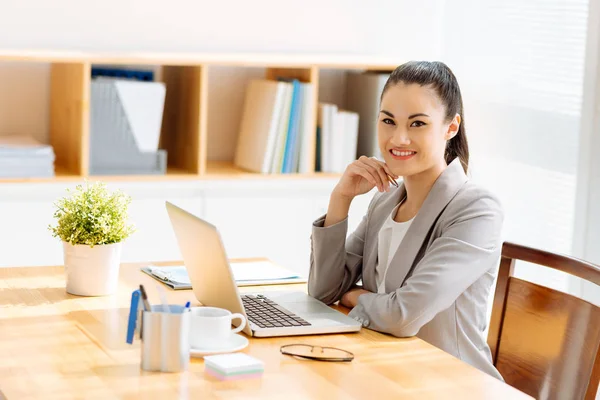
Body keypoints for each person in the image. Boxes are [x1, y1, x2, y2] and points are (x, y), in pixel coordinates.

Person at [307, 61, 504, 380]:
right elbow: (323, 290)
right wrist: (340, 199)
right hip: (383, 367)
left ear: (451, 127)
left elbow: (403, 316)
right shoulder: (385, 200)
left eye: (417, 124)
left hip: (449, 383)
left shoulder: (476, 209)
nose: (398, 138)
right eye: (388, 121)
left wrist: (352, 295)